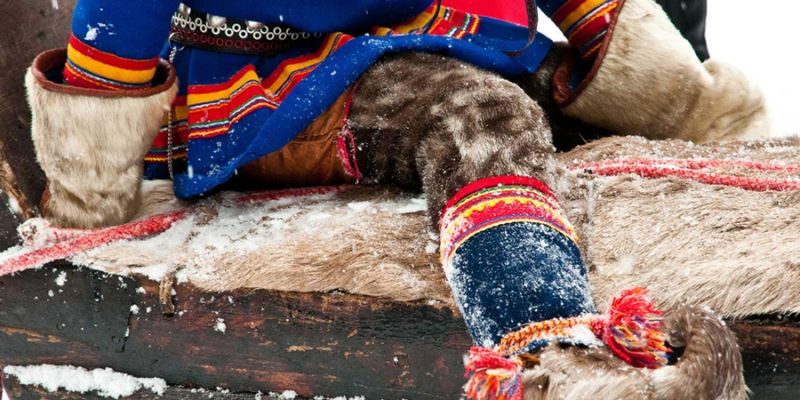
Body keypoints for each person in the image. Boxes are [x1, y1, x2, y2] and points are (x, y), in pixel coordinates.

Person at [25, 0, 767, 397]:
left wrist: (690, 110)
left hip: (442, 30)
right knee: (482, 121)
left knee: (556, 107)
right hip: (273, 85)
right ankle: (547, 355)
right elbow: (115, 37)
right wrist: (90, 194)